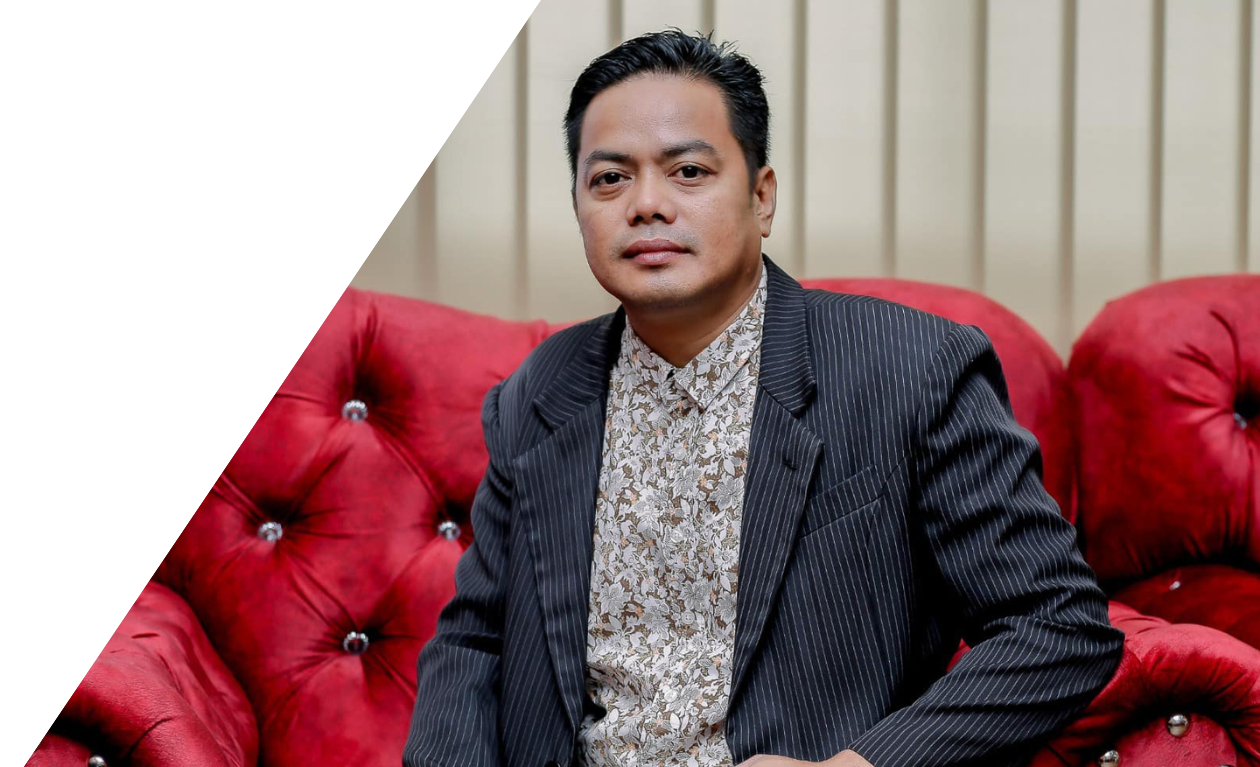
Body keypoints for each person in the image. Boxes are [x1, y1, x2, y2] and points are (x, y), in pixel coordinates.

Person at [403, 29, 1123, 767]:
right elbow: (475, 640)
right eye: (610, 179)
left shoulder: (913, 368)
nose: (645, 204)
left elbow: (1058, 625)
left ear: (761, 196)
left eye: (688, 171)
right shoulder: (539, 393)